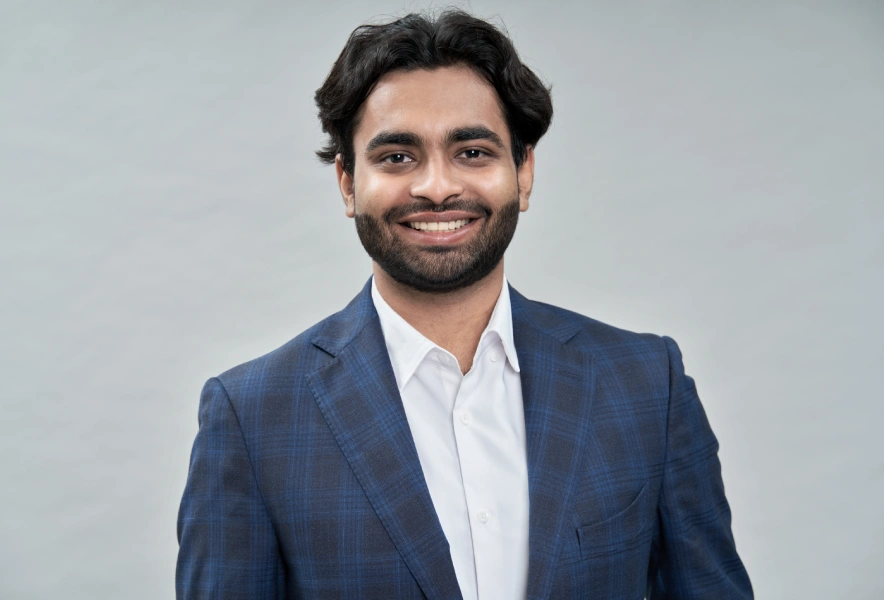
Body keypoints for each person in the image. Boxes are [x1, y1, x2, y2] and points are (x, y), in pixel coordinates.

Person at [176, 10, 753, 600]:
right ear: (347, 183)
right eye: (397, 157)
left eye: (472, 152)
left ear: (523, 172)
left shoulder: (645, 386)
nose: (436, 186)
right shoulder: (252, 418)